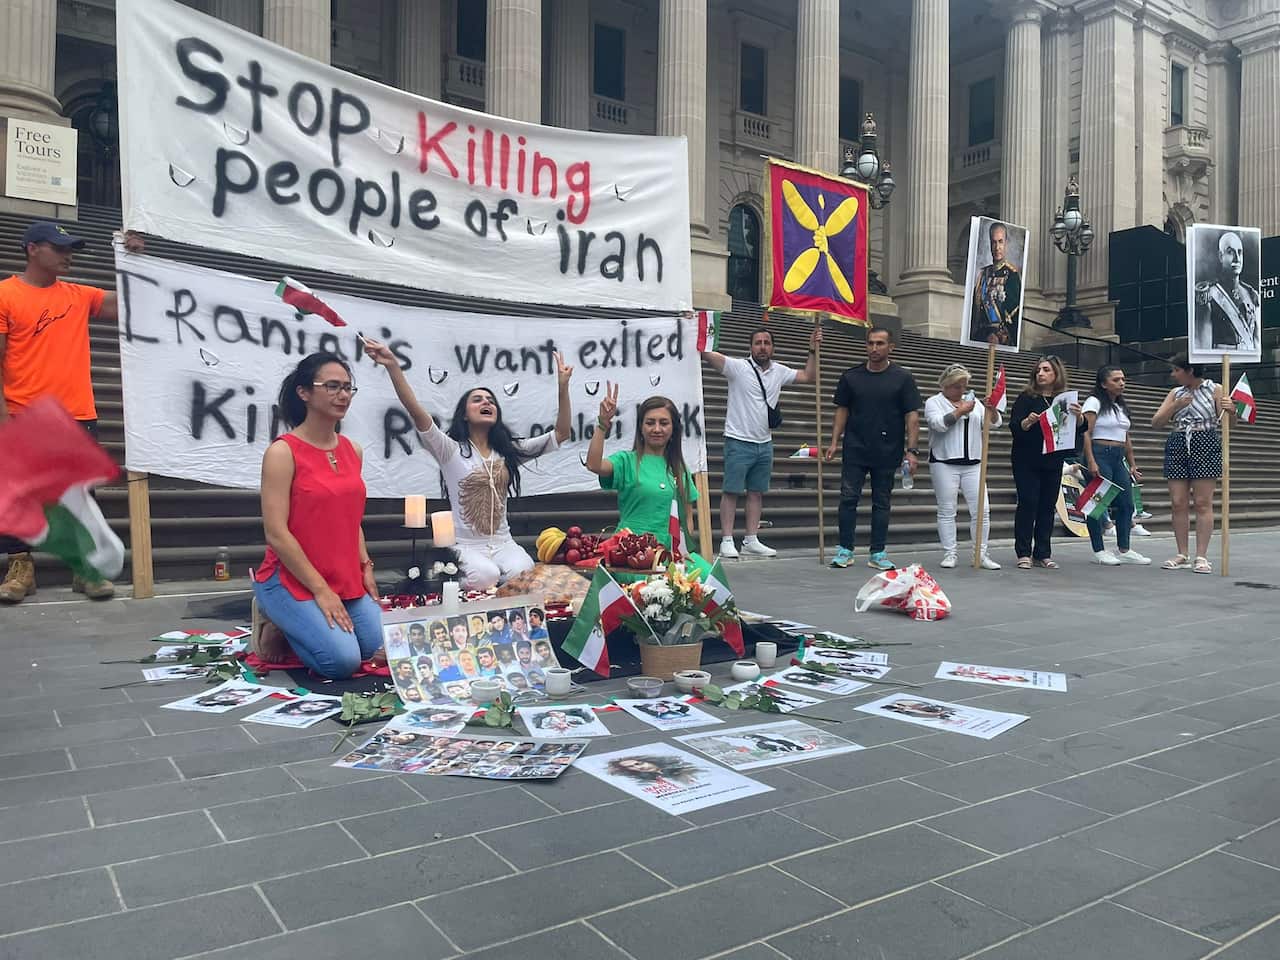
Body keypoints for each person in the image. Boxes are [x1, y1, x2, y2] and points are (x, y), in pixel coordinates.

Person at [0, 221, 144, 603]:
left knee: (81, 495)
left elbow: (129, 303)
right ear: (33, 249)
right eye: (59, 247)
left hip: (75, 413)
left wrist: (135, 260)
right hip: (23, 413)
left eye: (70, 249)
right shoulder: (5, 295)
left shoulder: (79, 295)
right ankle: (20, 568)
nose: (68, 255)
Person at [364, 337, 572, 590]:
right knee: (486, 575)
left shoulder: (508, 451)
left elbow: (561, 434)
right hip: (465, 545)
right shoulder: (449, 449)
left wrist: (563, 387)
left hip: (504, 543)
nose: (486, 402)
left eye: (491, 400)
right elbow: (417, 413)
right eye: (478, 399)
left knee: (525, 571)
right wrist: (393, 367)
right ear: (464, 414)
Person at [251, 353, 382, 679]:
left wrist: (365, 566)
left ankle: (304, 626)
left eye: (348, 388)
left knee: (382, 647)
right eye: (333, 386)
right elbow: (276, 533)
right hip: (291, 579)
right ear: (304, 393)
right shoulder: (283, 453)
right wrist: (322, 592)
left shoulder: (353, 450)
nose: (343, 395)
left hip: (344, 579)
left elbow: (352, 520)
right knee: (341, 661)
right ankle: (274, 619)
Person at [700, 325, 822, 558]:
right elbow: (708, 355)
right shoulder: (738, 368)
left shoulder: (779, 371)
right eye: (758, 342)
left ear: (772, 347)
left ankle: (751, 538)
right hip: (738, 440)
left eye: (767, 342)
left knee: (756, 492)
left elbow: (809, 376)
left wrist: (813, 350)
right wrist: (697, 330)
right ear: (751, 347)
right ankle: (727, 539)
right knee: (731, 491)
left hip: (764, 443)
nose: (763, 347)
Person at [825, 325, 922, 570]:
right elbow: (842, 411)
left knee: (882, 502)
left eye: (880, 343)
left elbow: (912, 416)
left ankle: (877, 551)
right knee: (848, 498)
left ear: (891, 347)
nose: (874, 348)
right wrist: (835, 441)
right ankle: (845, 549)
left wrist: (912, 451)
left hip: (888, 450)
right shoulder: (851, 377)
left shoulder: (902, 378)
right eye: (870, 343)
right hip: (855, 447)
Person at [586, 388, 704, 569]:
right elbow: (594, 465)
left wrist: (682, 550)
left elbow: (687, 517)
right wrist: (602, 424)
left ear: (673, 429)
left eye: (664, 423)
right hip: (631, 554)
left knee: (712, 581)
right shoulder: (625, 461)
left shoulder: (679, 468)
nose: (657, 429)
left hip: (669, 555)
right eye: (650, 423)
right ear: (641, 427)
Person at [1151, 355, 1231, 573]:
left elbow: (1227, 422)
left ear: (1189, 370)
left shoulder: (1214, 388)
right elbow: (1156, 422)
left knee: (1203, 501)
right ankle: (1182, 553)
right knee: (1178, 501)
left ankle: (1202, 555)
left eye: (1176, 370)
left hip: (1205, 439)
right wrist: (1175, 406)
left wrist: (1231, 409)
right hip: (1178, 441)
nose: (1173, 374)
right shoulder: (1175, 393)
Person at [923, 363, 1002, 570]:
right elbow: (938, 424)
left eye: (964, 386)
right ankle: (950, 553)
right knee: (947, 509)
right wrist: (960, 412)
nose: (961, 390)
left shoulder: (972, 401)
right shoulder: (934, 402)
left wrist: (991, 409)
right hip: (944, 462)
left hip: (973, 463)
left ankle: (981, 553)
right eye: (957, 386)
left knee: (982, 511)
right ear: (946, 385)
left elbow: (994, 423)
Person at [1008, 356, 1081, 570]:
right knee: (1028, 502)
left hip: (1053, 458)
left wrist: (1080, 417)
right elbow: (1015, 427)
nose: (1041, 373)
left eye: (1046, 370)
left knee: (1047, 506)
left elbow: (1080, 429)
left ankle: (1043, 553)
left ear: (1056, 374)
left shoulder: (1064, 400)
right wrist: (1028, 422)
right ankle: (1023, 552)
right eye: (1038, 370)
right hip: (1026, 459)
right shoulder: (1026, 397)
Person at [1081, 365, 1150, 566]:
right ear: (1103, 384)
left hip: (1117, 456)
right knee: (1097, 504)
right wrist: (1091, 460)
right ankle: (1099, 549)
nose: (1121, 383)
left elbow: (1125, 437)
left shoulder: (1120, 406)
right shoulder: (1094, 402)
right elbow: (1086, 432)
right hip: (1099, 453)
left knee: (1127, 504)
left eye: (1123, 379)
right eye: (1116, 380)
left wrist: (1132, 464)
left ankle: (1124, 548)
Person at [1193, 232, 1260, 354]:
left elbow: (1256, 342)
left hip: (1247, 365)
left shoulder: (1251, 294)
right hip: (1222, 364)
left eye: (1239, 252)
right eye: (1230, 252)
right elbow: (1203, 347)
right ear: (1220, 256)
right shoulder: (1209, 294)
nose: (1237, 259)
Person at [969, 221, 1022, 347]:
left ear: (1006, 244)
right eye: (994, 242)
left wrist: (999, 336)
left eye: (1000, 241)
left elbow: (1014, 315)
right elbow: (975, 313)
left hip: (1000, 339)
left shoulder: (1012, 275)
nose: (997, 247)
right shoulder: (983, 274)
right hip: (980, 337)